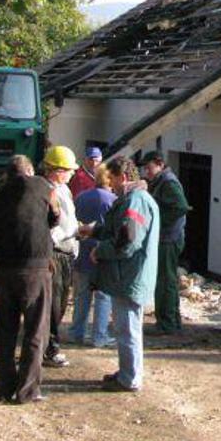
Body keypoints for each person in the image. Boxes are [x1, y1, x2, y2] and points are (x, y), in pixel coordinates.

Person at [81, 156, 159, 392]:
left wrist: (100, 250)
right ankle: (128, 372)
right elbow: (120, 230)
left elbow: (128, 241)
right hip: (126, 275)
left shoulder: (136, 202)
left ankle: (129, 378)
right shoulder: (133, 200)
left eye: (112, 179)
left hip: (129, 276)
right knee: (126, 327)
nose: (110, 185)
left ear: (122, 177)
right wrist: (94, 230)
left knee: (127, 329)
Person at [0, 155, 59, 403]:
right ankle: (28, 390)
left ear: (8, 174)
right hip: (36, 269)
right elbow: (55, 218)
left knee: (4, 333)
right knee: (36, 331)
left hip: (3, 270)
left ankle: (4, 388)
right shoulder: (44, 187)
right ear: (29, 171)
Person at [140, 151, 190, 335]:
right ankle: (172, 321)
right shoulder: (161, 181)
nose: (146, 172)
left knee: (165, 281)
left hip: (168, 239)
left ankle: (167, 324)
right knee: (167, 280)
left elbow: (181, 207)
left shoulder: (168, 182)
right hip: (168, 238)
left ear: (160, 164)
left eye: (149, 168)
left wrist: (157, 222)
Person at [40, 145, 80, 368]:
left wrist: (76, 229)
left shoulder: (63, 189)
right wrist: (71, 233)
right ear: (57, 171)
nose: (73, 173)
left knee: (61, 302)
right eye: (69, 170)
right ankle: (49, 348)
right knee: (53, 304)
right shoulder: (47, 191)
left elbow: (67, 219)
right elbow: (50, 227)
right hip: (55, 253)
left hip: (66, 251)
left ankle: (49, 346)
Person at [70, 165, 117, 348]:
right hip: (102, 254)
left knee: (81, 295)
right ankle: (100, 335)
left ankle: (77, 332)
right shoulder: (114, 200)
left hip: (82, 251)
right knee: (103, 297)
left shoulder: (81, 197)